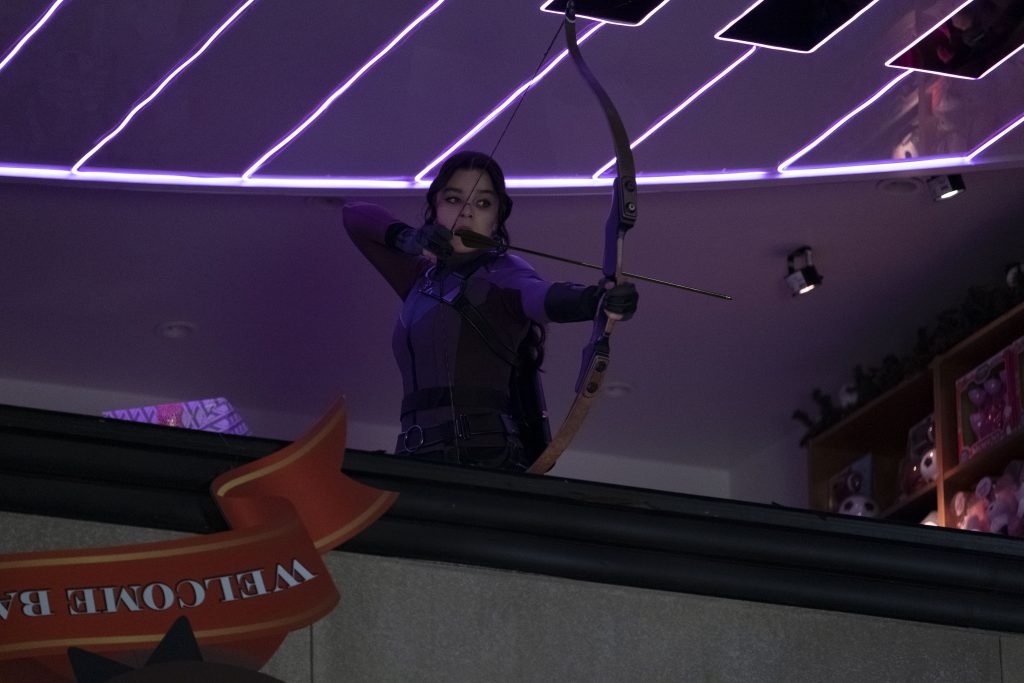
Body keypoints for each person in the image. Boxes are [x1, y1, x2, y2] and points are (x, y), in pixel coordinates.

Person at [343, 151, 638, 472]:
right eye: (453, 199)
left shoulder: (503, 272)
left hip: (483, 458)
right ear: (435, 207)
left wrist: (597, 301)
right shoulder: (420, 278)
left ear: (496, 219)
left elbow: (541, 296)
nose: (466, 212)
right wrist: (409, 238)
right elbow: (354, 215)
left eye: (483, 203)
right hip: (417, 458)